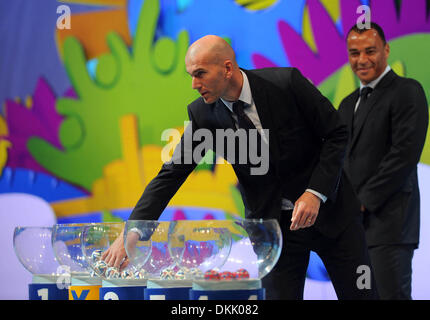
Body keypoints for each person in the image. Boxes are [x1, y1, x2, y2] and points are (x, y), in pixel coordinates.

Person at [103, 35, 378, 299]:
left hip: (333, 216)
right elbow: (171, 174)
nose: (194, 84)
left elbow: (336, 134)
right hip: (274, 230)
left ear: (227, 68)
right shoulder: (203, 115)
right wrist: (133, 230)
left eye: (200, 74)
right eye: (191, 76)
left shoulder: (286, 83)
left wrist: (315, 192)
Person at [338, 23, 428, 299]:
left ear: (386, 50)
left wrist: (362, 200)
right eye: (354, 53)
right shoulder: (346, 103)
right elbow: (338, 159)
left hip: (389, 225)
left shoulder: (407, 91)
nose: (362, 60)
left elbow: (404, 154)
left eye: (370, 51)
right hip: (351, 229)